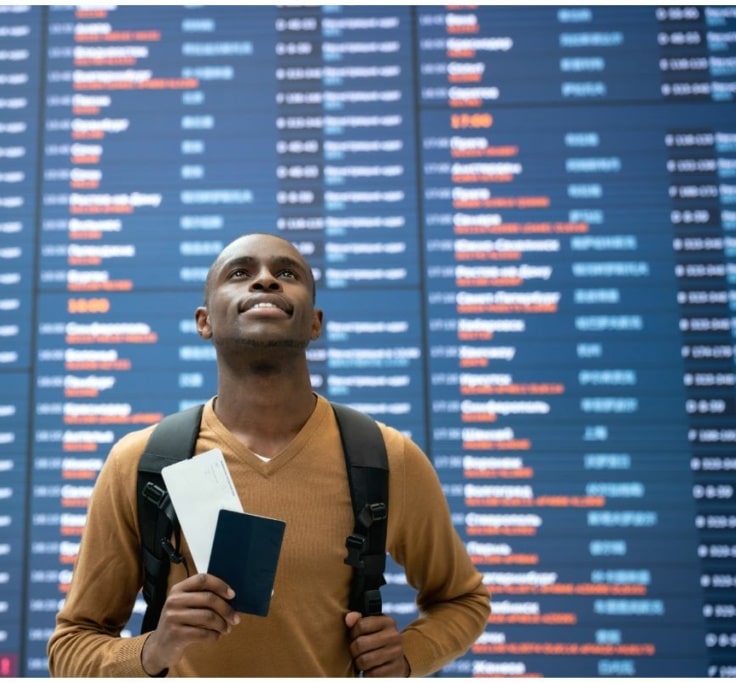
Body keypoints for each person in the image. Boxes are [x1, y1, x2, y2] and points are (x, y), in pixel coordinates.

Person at [48, 232, 490, 677]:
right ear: (204, 322)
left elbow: (464, 600)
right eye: (240, 273)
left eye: (286, 273)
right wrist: (153, 650)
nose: (265, 281)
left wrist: (411, 654)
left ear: (315, 323)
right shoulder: (143, 462)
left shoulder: (385, 457)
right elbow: (70, 647)